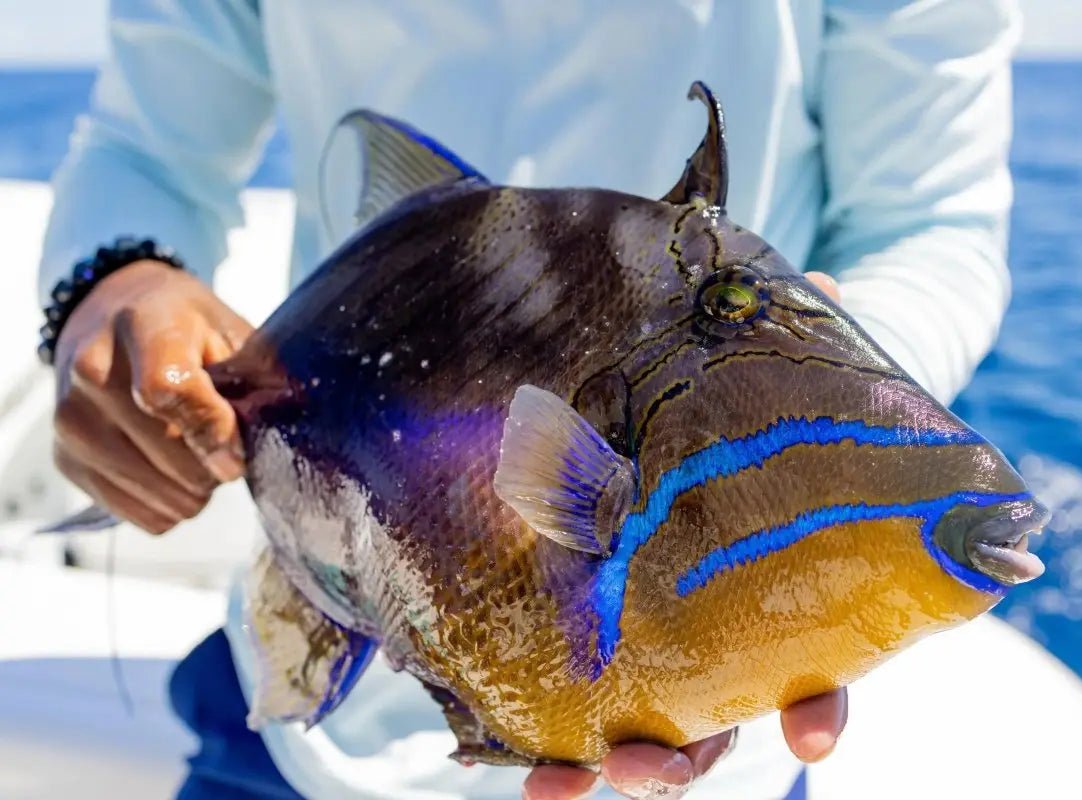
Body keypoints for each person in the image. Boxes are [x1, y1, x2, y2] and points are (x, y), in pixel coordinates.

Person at [38, 1, 1021, 798]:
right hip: (314, 682)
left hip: (711, 732)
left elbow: (931, 217)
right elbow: (147, 147)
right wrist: (113, 285)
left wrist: (840, 399)